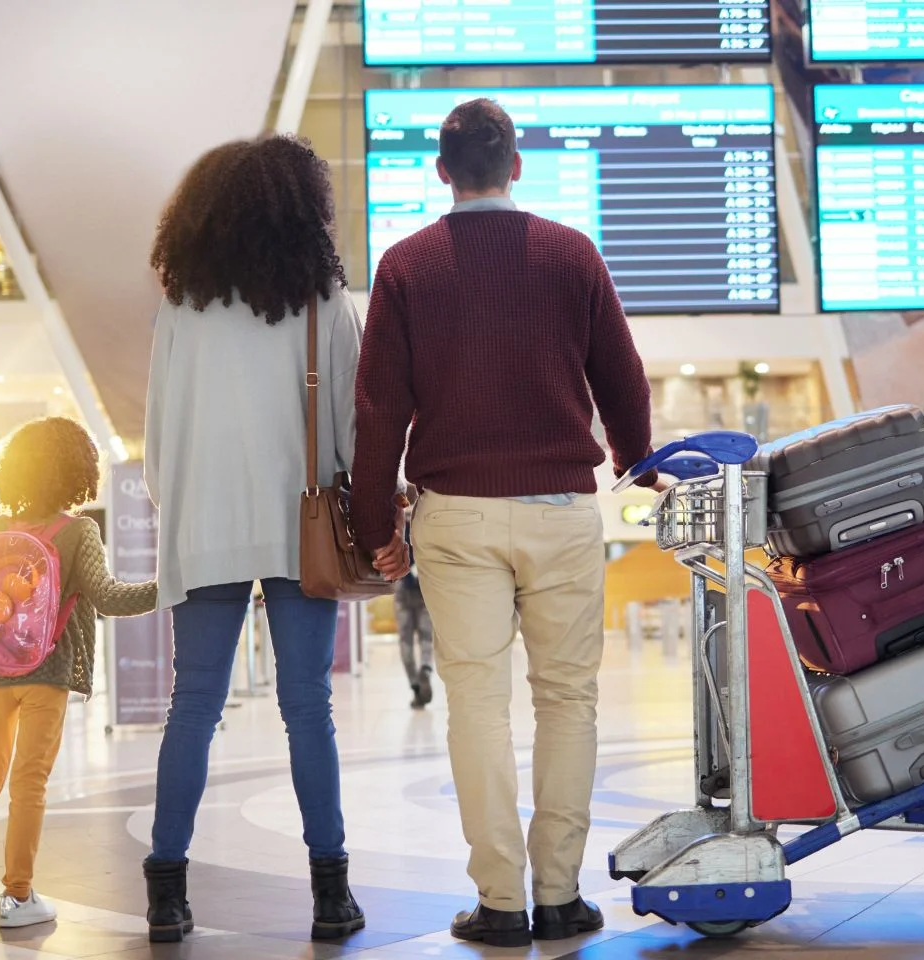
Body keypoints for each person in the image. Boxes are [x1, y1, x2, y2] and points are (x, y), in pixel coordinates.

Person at [349, 98, 656, 947]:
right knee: (568, 701)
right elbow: (621, 380)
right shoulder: (570, 255)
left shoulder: (407, 267)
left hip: (456, 520)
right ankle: (560, 895)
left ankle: (499, 905)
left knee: (476, 706)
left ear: (442, 172)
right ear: (515, 165)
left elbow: (378, 410)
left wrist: (378, 522)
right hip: (562, 512)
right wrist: (637, 460)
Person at [140, 134, 366, 944]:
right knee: (308, 708)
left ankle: (167, 893)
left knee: (192, 706)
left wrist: (182, 510)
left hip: (204, 529)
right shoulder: (325, 305)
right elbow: (346, 433)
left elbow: (157, 434)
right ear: (306, 209)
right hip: (296, 528)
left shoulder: (180, 306)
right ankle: (331, 893)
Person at [0, 417, 157, 929]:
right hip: (45, 672)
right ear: (78, 470)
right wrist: (170, 588)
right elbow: (108, 598)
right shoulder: (78, 531)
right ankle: (17, 897)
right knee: (28, 785)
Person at [394, 570, 434, 709]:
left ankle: (416, 688)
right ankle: (426, 667)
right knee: (426, 637)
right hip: (424, 585)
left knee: (406, 641)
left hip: (402, 586)